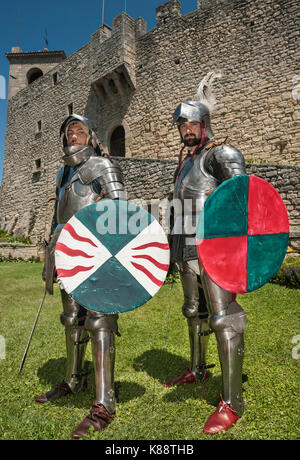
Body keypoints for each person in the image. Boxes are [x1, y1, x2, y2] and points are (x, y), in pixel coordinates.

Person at [165, 73, 247, 434]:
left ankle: (232, 402)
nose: (186, 128)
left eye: (191, 122)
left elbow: (242, 201)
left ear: (205, 124)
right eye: (181, 123)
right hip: (186, 247)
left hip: (214, 248)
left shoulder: (221, 155)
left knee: (223, 318)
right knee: (193, 313)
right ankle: (197, 368)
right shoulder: (184, 165)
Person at [35, 114, 126, 439]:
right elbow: (57, 216)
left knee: (99, 321)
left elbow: (120, 211)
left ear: (91, 137)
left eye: (80, 130)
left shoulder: (102, 166)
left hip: (97, 253)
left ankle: (105, 402)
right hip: (66, 254)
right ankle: (74, 379)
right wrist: (51, 253)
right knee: (71, 318)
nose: (74, 134)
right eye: (69, 131)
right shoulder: (62, 172)